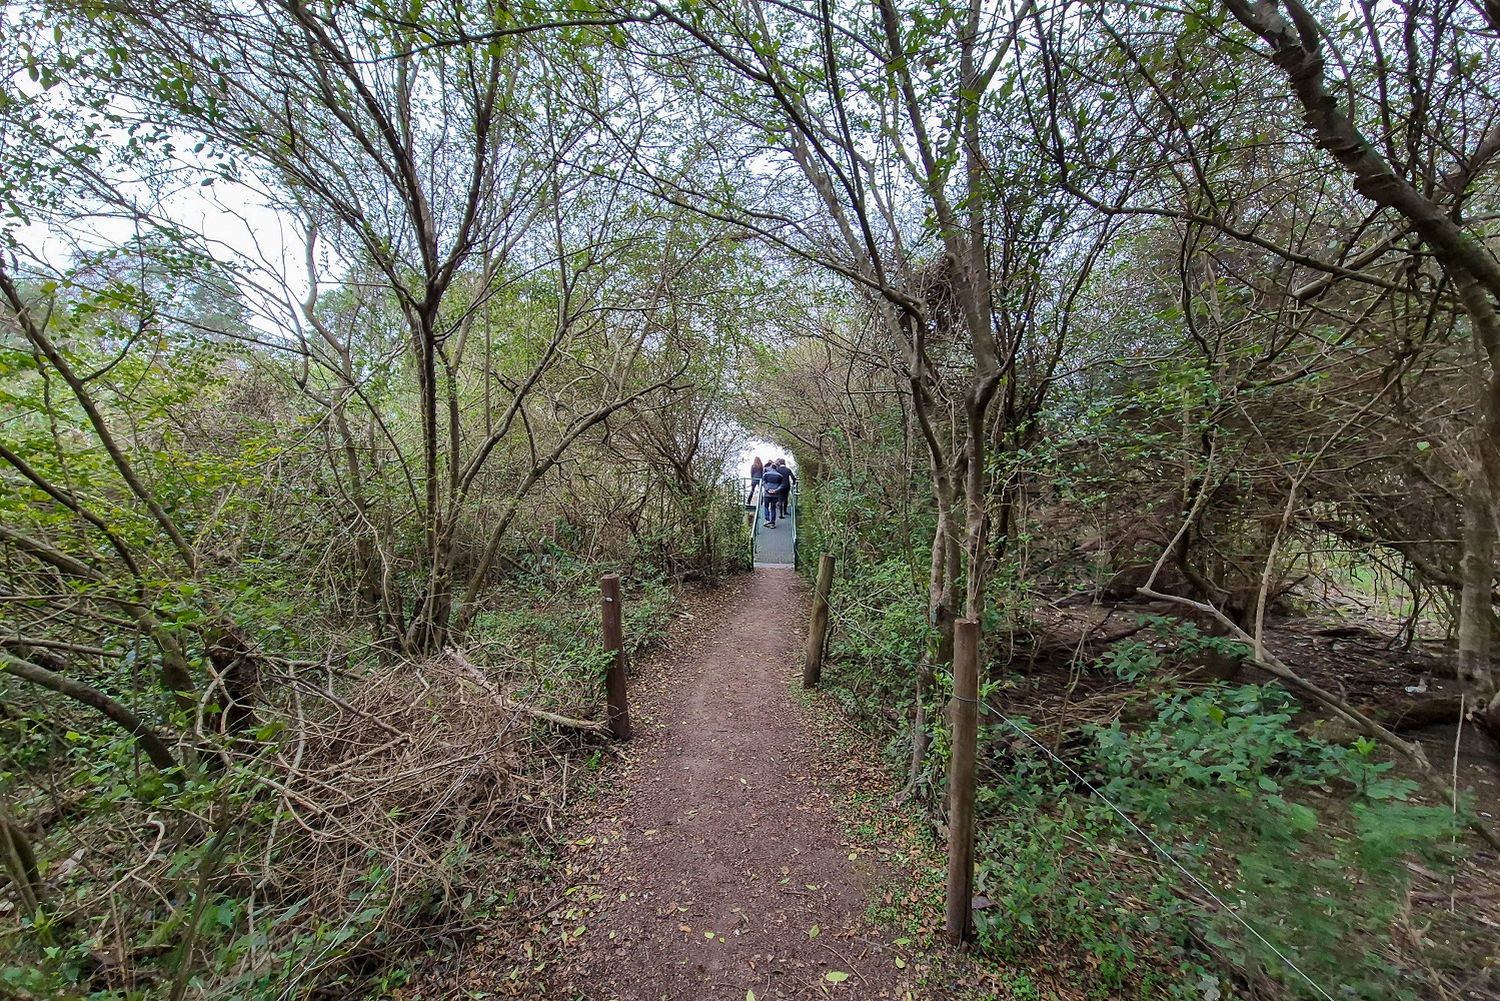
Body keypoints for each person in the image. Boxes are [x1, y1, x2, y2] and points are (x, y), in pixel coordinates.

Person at [760, 461, 785, 528]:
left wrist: (768, 489)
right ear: (776, 468)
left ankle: (767, 518)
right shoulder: (780, 476)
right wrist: (776, 490)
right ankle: (772, 522)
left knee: (766, 506)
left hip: (767, 494)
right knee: (773, 508)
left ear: (771, 467)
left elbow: (763, 483)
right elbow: (782, 485)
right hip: (775, 494)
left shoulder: (766, 474)